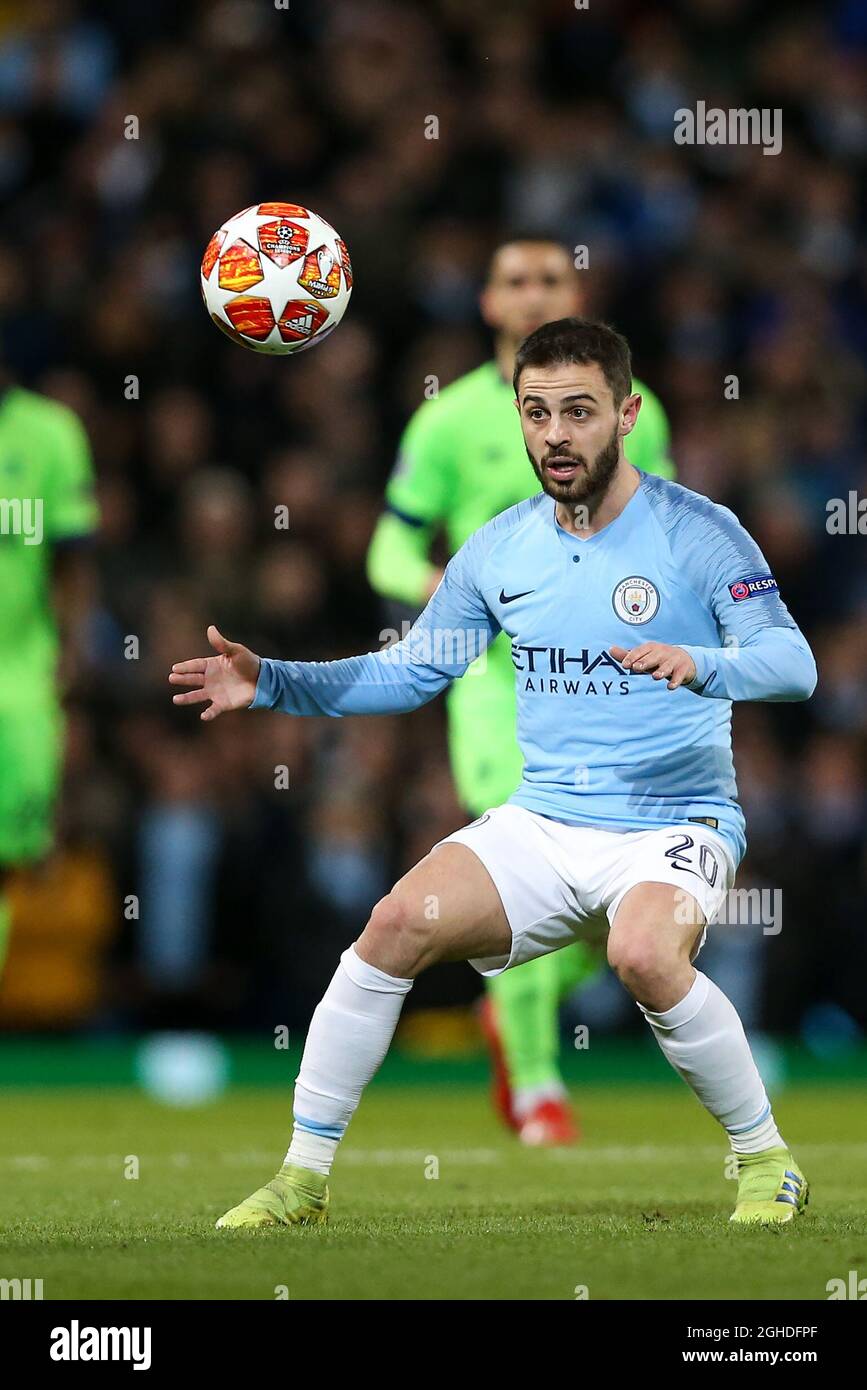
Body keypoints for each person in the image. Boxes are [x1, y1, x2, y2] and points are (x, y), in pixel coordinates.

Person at [170, 318, 816, 1229]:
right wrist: (270, 680)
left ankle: (765, 1161)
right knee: (391, 925)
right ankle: (301, 1182)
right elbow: (409, 671)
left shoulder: (699, 533)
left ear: (627, 415)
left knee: (638, 955)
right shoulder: (500, 548)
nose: (555, 434)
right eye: (537, 412)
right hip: (544, 823)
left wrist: (699, 662)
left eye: (580, 412)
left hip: (675, 822)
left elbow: (793, 667)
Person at [366, 233, 674, 1143]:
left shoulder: (632, 413)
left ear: (577, 293)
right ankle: (539, 1092)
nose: (532, 292)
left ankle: (511, 1014)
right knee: (535, 872)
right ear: (487, 304)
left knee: (606, 904)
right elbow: (387, 545)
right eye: (514, 281)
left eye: (551, 277)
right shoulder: (449, 420)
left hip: (605, 684)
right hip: (496, 692)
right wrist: (455, 597)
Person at [0, 377, 99, 976]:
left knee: (13, 859)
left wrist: (70, 648)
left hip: (21, 680)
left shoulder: (51, 432)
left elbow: (73, 554)